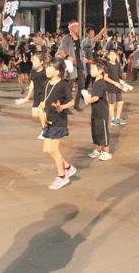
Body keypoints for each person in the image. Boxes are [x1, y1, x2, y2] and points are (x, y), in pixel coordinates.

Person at [39, 57, 77, 190]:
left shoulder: (63, 85)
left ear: (57, 71)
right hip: (49, 119)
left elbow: (71, 102)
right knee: (46, 150)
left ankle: (62, 177)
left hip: (59, 121)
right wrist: (43, 107)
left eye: (50, 67)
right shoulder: (47, 83)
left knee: (53, 149)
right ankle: (68, 167)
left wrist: (62, 107)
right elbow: (47, 98)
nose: (47, 69)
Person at [83, 59, 112, 161]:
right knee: (95, 131)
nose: (91, 70)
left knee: (102, 131)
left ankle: (106, 152)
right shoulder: (95, 81)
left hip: (102, 112)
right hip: (95, 111)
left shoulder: (100, 82)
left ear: (100, 70)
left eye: (93, 68)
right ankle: (98, 150)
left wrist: (87, 100)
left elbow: (96, 97)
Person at [16, 53, 48, 139]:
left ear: (41, 62)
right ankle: (50, 119)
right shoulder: (33, 71)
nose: (33, 61)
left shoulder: (46, 72)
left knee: (41, 112)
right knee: (34, 114)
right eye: (33, 60)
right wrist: (27, 97)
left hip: (45, 95)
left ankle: (45, 130)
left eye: (35, 60)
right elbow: (32, 84)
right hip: (37, 95)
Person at [57, 20, 86, 111]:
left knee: (81, 86)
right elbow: (61, 51)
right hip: (71, 66)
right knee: (68, 88)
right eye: (76, 26)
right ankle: (64, 107)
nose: (78, 28)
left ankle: (76, 104)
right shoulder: (67, 38)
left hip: (79, 65)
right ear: (71, 28)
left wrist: (83, 60)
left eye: (78, 26)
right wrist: (69, 57)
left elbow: (80, 52)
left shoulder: (79, 39)